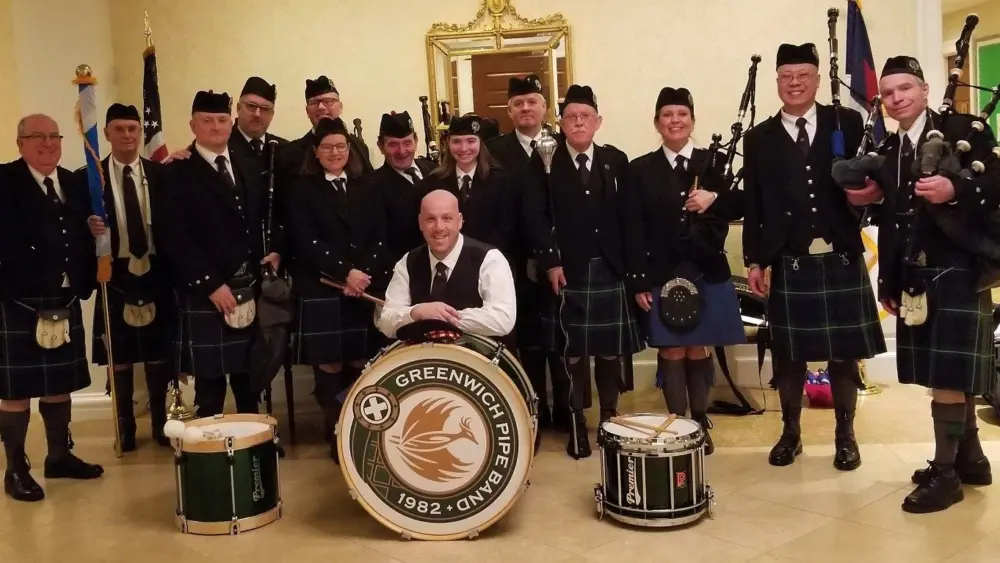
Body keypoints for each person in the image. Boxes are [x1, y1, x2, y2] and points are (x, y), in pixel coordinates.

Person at [841, 55, 998, 513]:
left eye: (905, 88)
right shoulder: (890, 152)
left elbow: (999, 183)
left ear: (925, 90)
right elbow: (892, 222)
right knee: (943, 376)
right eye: (888, 93)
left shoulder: (965, 132)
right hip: (915, 274)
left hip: (960, 270)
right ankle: (969, 458)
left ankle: (946, 474)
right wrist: (889, 278)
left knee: (948, 378)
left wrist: (957, 190)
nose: (896, 98)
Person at [742, 43, 885, 471]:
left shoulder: (846, 120)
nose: (795, 82)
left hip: (840, 255)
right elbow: (755, 202)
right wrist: (754, 259)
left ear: (818, 79)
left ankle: (846, 435)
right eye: (787, 75)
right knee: (790, 357)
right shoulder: (759, 138)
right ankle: (790, 434)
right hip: (791, 260)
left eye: (804, 75)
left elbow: (867, 180)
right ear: (777, 81)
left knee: (844, 354)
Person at [521, 84, 645, 459]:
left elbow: (630, 219)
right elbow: (534, 216)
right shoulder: (544, 159)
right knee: (572, 352)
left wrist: (634, 272)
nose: (578, 123)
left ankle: (608, 416)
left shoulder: (615, 160)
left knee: (608, 351)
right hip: (568, 270)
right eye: (571, 117)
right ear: (561, 121)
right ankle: (576, 420)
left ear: (598, 121)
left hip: (610, 268)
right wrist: (550, 261)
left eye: (585, 117)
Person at [624, 87, 746, 455]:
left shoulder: (714, 163)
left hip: (705, 268)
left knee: (698, 347)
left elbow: (734, 206)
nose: (675, 121)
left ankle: (699, 421)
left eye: (682, 114)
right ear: (657, 122)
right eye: (667, 115)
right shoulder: (640, 169)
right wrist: (639, 280)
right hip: (660, 272)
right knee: (673, 350)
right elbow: (633, 227)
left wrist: (714, 200)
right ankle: (678, 424)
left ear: (692, 119)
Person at [153, 90, 282, 419]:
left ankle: (254, 440)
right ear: (193, 125)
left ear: (231, 122)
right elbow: (173, 238)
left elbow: (265, 217)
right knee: (210, 382)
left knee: (249, 373)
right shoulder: (175, 173)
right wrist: (210, 285)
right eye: (207, 120)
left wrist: (273, 252)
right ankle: (207, 447)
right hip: (206, 289)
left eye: (222, 120)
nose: (216, 126)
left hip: (247, 282)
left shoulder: (248, 165)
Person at [0, 114, 104, 502]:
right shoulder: (5, 181)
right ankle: (15, 468)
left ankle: (59, 456)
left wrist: (93, 230)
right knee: (15, 390)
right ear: (20, 142)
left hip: (64, 296)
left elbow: (78, 229)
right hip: (19, 300)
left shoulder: (75, 182)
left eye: (53, 137)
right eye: (37, 137)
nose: (47, 144)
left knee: (59, 383)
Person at [286, 117, 390, 462]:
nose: (335, 153)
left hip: (362, 286)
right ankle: (335, 432)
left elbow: (380, 235)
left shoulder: (368, 185)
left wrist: (363, 274)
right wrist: (346, 272)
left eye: (341, 146)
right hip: (322, 287)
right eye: (327, 147)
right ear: (316, 152)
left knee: (361, 359)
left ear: (350, 150)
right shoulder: (301, 188)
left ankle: (359, 429)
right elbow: (305, 241)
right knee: (329, 363)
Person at [83, 103, 175, 450]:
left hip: (155, 271)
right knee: (117, 355)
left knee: (157, 353)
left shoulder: (161, 174)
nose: (127, 135)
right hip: (116, 274)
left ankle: (161, 422)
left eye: (133, 129)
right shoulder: (89, 179)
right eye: (119, 129)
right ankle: (124, 425)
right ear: (106, 134)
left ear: (141, 132)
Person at [488, 75, 570, 432]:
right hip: (514, 263)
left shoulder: (565, 144)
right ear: (509, 110)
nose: (526, 108)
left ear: (544, 107)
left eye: (532, 101)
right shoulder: (494, 151)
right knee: (527, 340)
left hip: (560, 261)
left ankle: (569, 412)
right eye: (518, 103)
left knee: (562, 337)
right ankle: (533, 410)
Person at [376, 189, 516, 341]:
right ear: (420, 223)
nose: (439, 227)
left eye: (446, 218)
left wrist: (441, 318)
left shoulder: (490, 259)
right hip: (426, 360)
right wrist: (416, 313)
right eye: (430, 219)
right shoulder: (407, 262)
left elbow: (503, 319)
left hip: (479, 359)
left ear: (460, 220)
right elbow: (386, 322)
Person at [421, 114, 518, 258]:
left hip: (490, 259)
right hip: (447, 259)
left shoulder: (500, 179)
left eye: (471, 141)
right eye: (456, 142)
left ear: (481, 143)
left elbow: (506, 227)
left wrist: (479, 257)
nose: (463, 148)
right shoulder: (434, 182)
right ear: (448, 143)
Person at [372, 111, 436, 262]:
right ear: (381, 146)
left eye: (407, 143)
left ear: (416, 141)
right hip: (404, 269)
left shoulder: (434, 171)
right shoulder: (372, 185)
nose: (401, 151)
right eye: (393, 144)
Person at [278, 76, 372, 177]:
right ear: (307, 111)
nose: (321, 107)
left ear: (340, 107)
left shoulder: (359, 147)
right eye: (314, 103)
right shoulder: (291, 153)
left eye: (328, 101)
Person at [229, 76, 288, 170]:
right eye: (251, 106)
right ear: (238, 108)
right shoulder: (222, 147)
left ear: (272, 114)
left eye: (265, 109)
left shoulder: (285, 150)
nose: (257, 114)